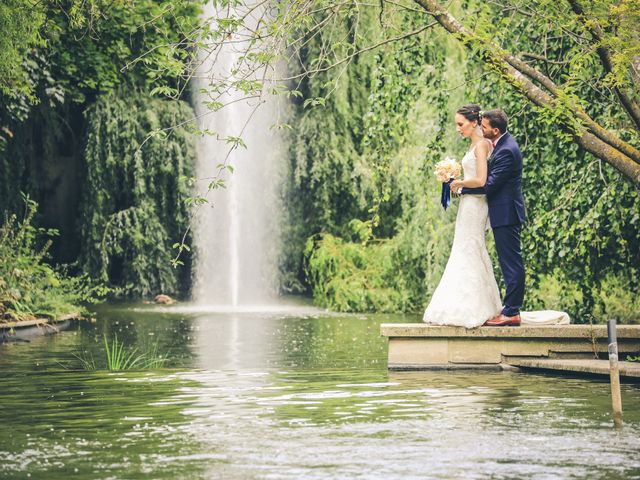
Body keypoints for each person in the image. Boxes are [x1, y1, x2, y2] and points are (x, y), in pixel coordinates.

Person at [423, 104, 503, 328]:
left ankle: (473, 307)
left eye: (461, 124)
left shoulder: (482, 145)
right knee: (464, 248)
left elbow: (481, 180)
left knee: (469, 248)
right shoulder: (474, 145)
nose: (458, 128)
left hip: (476, 205)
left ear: (475, 122)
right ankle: (464, 303)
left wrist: (457, 183)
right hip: (468, 204)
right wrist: (457, 185)